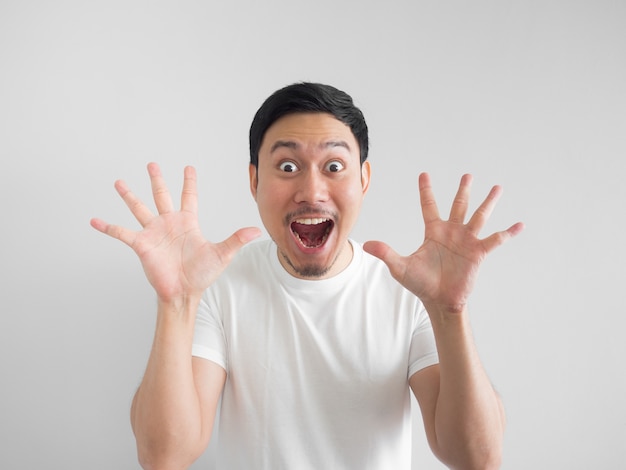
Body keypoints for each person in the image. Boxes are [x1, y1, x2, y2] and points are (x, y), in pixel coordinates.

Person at [91, 82, 524, 470]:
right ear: (254, 180)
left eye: (334, 167)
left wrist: (450, 311)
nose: (312, 191)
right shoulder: (220, 286)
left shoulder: (410, 290)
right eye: (287, 166)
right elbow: (164, 456)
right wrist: (177, 302)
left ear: (364, 178)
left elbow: (476, 458)